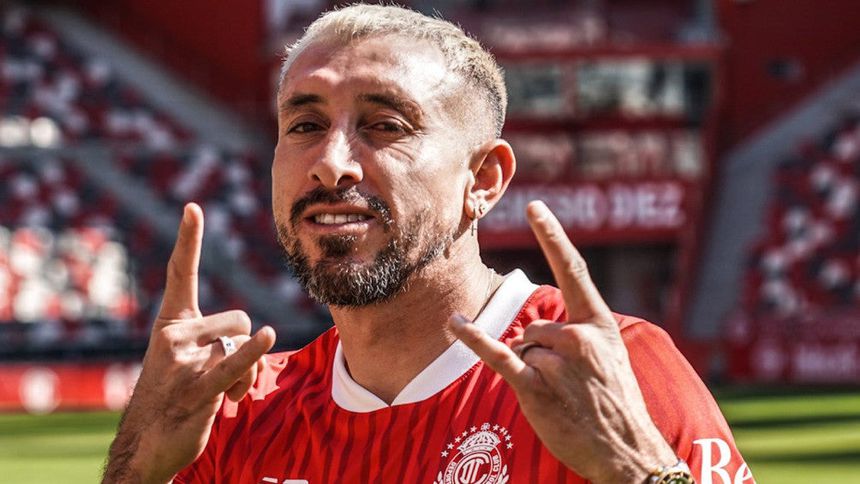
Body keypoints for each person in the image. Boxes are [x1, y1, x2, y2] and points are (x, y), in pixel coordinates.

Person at [103, 4, 751, 483]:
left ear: (483, 178)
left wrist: (641, 471)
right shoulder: (236, 412)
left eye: (385, 125)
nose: (330, 164)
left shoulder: (610, 371)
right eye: (304, 125)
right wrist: (138, 466)